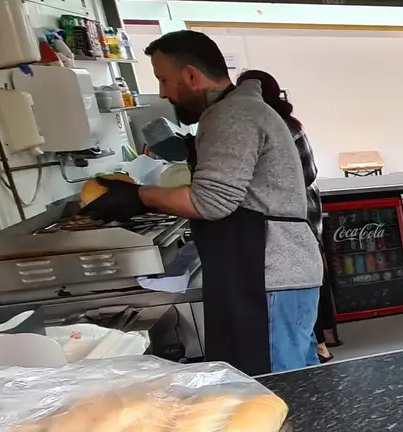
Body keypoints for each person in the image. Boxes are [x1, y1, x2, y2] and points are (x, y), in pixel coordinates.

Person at [82, 31, 323, 375]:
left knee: (273, 385)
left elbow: (211, 201)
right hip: (279, 272)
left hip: (266, 274)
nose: (163, 92)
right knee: (300, 379)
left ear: (192, 75)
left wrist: (137, 196)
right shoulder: (243, 110)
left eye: (164, 79)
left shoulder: (232, 115)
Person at [235, 69, 338, 364]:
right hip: (299, 229)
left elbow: (307, 174)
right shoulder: (283, 124)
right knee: (301, 317)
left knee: (287, 341)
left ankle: (318, 343)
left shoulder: (281, 128)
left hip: (296, 225)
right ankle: (317, 344)